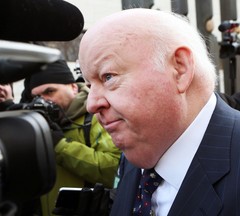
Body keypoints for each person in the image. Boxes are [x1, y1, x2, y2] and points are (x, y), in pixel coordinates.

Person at [78, 8, 240, 216]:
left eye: (108, 76)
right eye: (89, 85)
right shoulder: (139, 151)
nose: (91, 104)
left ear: (179, 69)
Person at [23, 59, 121, 216]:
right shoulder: (38, 125)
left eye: (50, 92)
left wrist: (61, 146)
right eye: (36, 97)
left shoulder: (97, 117)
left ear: (73, 87)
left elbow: (114, 170)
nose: (42, 101)